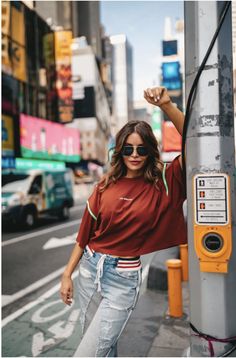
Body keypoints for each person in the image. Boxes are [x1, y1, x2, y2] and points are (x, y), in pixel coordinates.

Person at [60, 86, 187, 357]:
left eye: (141, 148)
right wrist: (66, 273)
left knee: (91, 352)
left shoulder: (166, 181)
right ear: (119, 150)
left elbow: (197, 141)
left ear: (150, 150)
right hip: (90, 271)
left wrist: (167, 106)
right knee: (105, 349)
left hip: (123, 277)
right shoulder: (105, 185)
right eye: (128, 148)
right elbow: (84, 234)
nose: (134, 154)